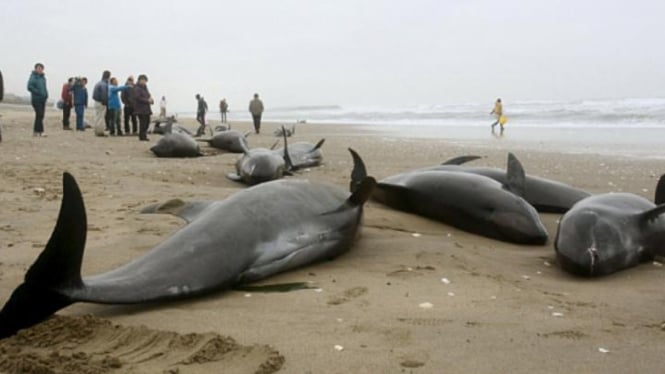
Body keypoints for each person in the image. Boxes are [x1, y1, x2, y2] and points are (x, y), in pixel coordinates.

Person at [27, 63, 48, 137]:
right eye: (38, 68)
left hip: (43, 99)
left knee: (40, 115)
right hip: (36, 99)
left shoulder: (43, 78)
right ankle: (41, 131)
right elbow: (29, 86)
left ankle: (36, 131)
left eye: (41, 68)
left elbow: (44, 88)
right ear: (35, 69)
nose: (40, 69)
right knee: (39, 114)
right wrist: (38, 92)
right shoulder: (33, 77)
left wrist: (46, 95)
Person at [133, 74, 153, 141]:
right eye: (143, 80)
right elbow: (137, 98)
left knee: (147, 122)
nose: (144, 82)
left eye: (145, 81)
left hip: (147, 108)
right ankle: (142, 137)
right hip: (140, 109)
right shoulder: (137, 88)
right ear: (140, 80)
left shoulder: (145, 88)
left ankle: (144, 135)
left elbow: (149, 95)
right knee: (143, 123)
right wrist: (147, 100)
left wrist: (151, 100)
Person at [92, 70, 111, 136]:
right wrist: (105, 102)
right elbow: (104, 94)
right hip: (101, 102)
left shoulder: (98, 83)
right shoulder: (104, 84)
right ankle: (100, 132)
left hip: (96, 102)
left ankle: (97, 131)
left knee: (97, 117)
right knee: (101, 117)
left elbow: (93, 95)